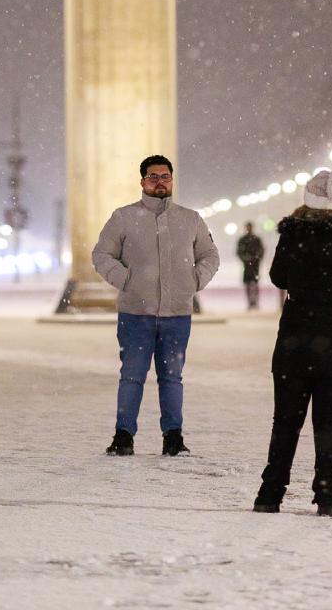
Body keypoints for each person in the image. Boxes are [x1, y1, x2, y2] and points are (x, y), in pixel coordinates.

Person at [253, 165, 332, 517]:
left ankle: (270, 493)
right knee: (329, 424)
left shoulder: (293, 236)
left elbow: (278, 277)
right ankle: (327, 496)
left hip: (295, 338)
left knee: (285, 422)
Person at [92, 153, 220, 457]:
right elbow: (102, 255)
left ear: (172, 180)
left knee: (172, 377)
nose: (159, 182)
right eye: (153, 177)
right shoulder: (123, 217)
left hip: (177, 314)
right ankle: (123, 435)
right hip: (136, 314)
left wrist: (194, 280)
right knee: (132, 376)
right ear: (142, 182)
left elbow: (210, 256)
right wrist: (126, 279)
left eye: (165, 176)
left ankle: (173, 436)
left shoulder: (190, 219)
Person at [237, 221, 265, 309]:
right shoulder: (244, 239)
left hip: (254, 265)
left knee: (254, 284)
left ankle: (254, 301)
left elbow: (261, 251)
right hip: (248, 265)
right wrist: (247, 259)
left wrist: (254, 259)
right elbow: (239, 252)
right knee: (249, 284)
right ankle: (250, 302)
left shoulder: (255, 239)